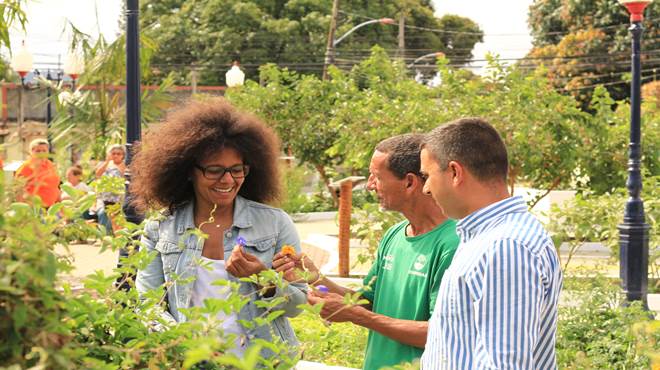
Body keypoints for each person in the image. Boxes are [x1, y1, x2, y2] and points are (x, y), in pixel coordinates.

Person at [132, 99, 306, 360]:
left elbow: (298, 304)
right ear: (189, 171)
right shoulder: (160, 229)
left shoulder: (275, 223)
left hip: (266, 363)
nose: (227, 180)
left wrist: (265, 280)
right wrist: (184, 343)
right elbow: (148, 304)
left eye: (237, 170)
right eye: (214, 170)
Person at [274, 134, 459, 370]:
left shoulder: (452, 244)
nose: (370, 185)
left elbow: (439, 333)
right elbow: (368, 301)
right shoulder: (394, 235)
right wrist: (314, 278)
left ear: (410, 183)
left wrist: (355, 316)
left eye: (377, 177)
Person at [419, 118, 563, 369]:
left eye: (427, 176)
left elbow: (503, 364)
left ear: (455, 172)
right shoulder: (484, 236)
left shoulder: (506, 246)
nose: (426, 189)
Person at [15, 138, 61, 207]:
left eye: (44, 151)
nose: (41, 153)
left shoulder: (51, 166)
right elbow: (18, 190)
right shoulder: (26, 168)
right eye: (38, 151)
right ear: (31, 152)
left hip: (51, 208)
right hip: (34, 208)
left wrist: (60, 206)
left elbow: (56, 187)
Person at [94, 144, 126, 234]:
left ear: (123, 155)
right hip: (104, 197)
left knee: (117, 219)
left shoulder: (125, 165)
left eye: (118, 154)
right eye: (113, 153)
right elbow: (98, 174)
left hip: (118, 198)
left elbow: (125, 176)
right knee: (102, 214)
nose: (115, 155)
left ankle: (118, 238)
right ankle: (103, 236)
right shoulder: (106, 164)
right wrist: (107, 161)